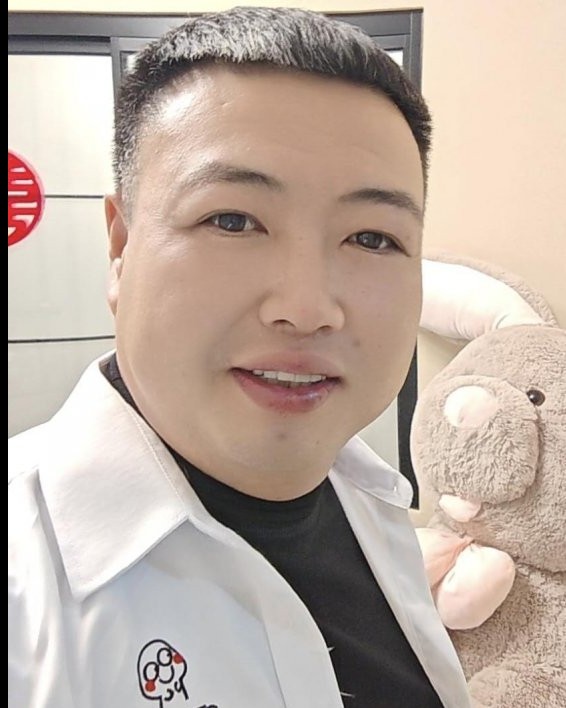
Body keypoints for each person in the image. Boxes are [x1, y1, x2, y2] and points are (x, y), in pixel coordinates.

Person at [8, 7, 471, 708]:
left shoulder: (376, 504)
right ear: (121, 247)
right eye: (232, 220)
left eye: (373, 238)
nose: (308, 307)